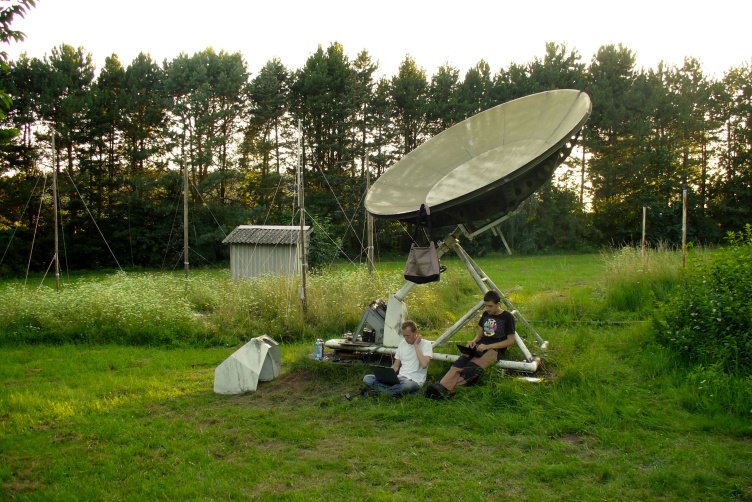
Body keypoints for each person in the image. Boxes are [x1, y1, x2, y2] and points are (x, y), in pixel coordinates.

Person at [425, 290, 515, 399]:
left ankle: (445, 389)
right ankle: (442, 387)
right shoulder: (486, 314)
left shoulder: (507, 317)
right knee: (460, 363)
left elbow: (510, 341)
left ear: (498, 304)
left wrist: (488, 346)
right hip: (480, 346)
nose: (487, 308)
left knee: (471, 369)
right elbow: (479, 336)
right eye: (486, 306)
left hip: (495, 350)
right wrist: (473, 341)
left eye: (490, 306)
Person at [359, 320, 432, 398]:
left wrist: (416, 345)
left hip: (413, 381)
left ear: (415, 333)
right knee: (367, 378)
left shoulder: (426, 344)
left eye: (408, 336)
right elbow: (396, 366)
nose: (406, 338)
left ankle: (379, 391)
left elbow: (424, 364)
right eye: (404, 336)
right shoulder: (402, 343)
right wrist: (387, 376)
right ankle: (390, 392)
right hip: (399, 378)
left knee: (405, 387)